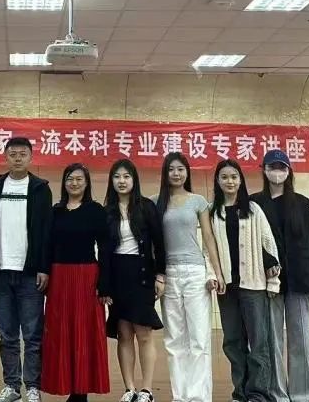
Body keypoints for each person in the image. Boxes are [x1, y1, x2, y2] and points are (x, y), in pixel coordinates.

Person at [250, 149, 309, 402]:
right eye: (272, 167)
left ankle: (304, 393)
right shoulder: (254, 203)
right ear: (264, 170)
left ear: (289, 171)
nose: (277, 172)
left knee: (302, 338)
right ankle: (277, 393)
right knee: (272, 340)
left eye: (282, 167)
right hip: (267, 280)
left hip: (299, 278)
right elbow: (251, 242)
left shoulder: (302, 203)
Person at [0, 137, 53, 402]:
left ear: (31, 157)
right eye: (12, 154)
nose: (17, 158)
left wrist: (44, 267)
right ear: (5, 157)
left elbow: (45, 232)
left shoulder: (40, 188)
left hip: (30, 273)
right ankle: (12, 386)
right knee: (7, 334)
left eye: (22, 154)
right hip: (1, 271)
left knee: (33, 334)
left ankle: (33, 386)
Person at [154, 153, 222, 402]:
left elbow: (209, 237)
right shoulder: (155, 202)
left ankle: (199, 396)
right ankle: (180, 396)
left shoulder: (198, 201)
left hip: (195, 273)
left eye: (180, 169)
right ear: (165, 173)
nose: (176, 174)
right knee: (174, 340)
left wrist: (216, 272)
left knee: (199, 339)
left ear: (187, 172)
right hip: (168, 275)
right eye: (171, 169)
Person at [41, 164, 110, 402]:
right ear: (64, 182)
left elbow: (106, 248)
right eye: (70, 179)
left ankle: (81, 392)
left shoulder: (96, 211)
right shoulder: (56, 211)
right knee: (61, 332)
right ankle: (67, 386)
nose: (74, 183)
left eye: (79, 179)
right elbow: (47, 245)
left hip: (86, 277)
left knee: (85, 332)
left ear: (87, 183)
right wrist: (44, 272)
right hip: (59, 278)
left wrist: (104, 282)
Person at [212, 158, 279, 402]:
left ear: (240, 180)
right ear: (217, 181)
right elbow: (208, 250)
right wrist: (213, 275)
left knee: (258, 341)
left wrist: (273, 279)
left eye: (234, 176)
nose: (229, 181)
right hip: (227, 288)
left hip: (253, 285)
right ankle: (240, 392)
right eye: (224, 177)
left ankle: (258, 393)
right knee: (232, 342)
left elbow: (268, 242)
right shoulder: (213, 213)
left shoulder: (253, 209)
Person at [102, 158, 166, 402]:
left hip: (142, 274)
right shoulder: (107, 211)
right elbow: (103, 252)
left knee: (144, 332)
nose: (122, 181)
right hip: (117, 275)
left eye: (126, 176)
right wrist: (104, 285)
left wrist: (160, 275)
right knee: (124, 333)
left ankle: (146, 390)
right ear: (112, 181)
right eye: (117, 176)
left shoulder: (146, 207)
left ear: (134, 180)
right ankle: (129, 389)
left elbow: (159, 244)